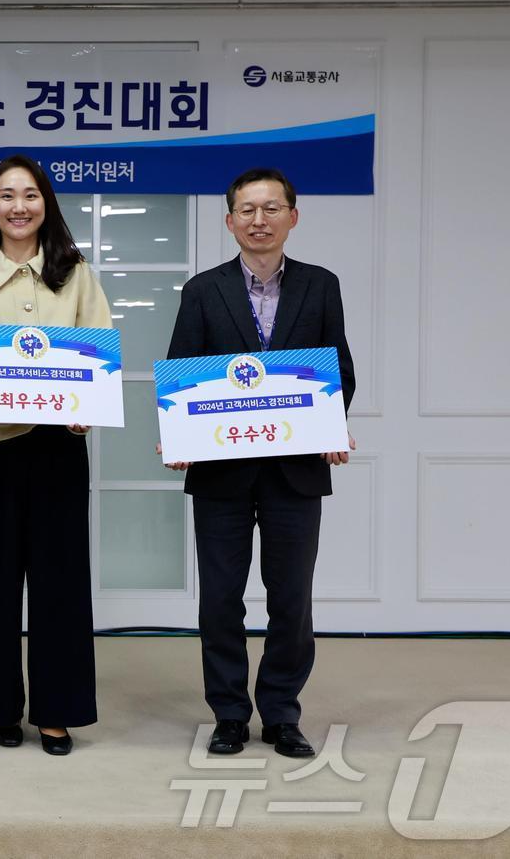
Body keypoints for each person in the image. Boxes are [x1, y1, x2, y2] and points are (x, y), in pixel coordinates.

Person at [162, 167, 356, 759]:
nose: (259, 220)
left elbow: (339, 370)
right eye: (247, 210)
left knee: (291, 597)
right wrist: (181, 435)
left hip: (295, 468)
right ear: (229, 221)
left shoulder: (321, 285)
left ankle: (281, 712)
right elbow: (182, 370)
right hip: (222, 470)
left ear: (292, 217)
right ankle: (227, 714)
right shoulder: (203, 289)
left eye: (272, 209)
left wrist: (331, 425)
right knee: (219, 596)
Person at [0, 156, 112, 756]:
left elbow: (97, 350)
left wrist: (86, 404)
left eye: (31, 195)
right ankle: (0, 706)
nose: (19, 206)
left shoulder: (76, 271)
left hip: (56, 447)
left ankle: (56, 710)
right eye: (7, 195)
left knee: (59, 583)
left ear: (47, 204)